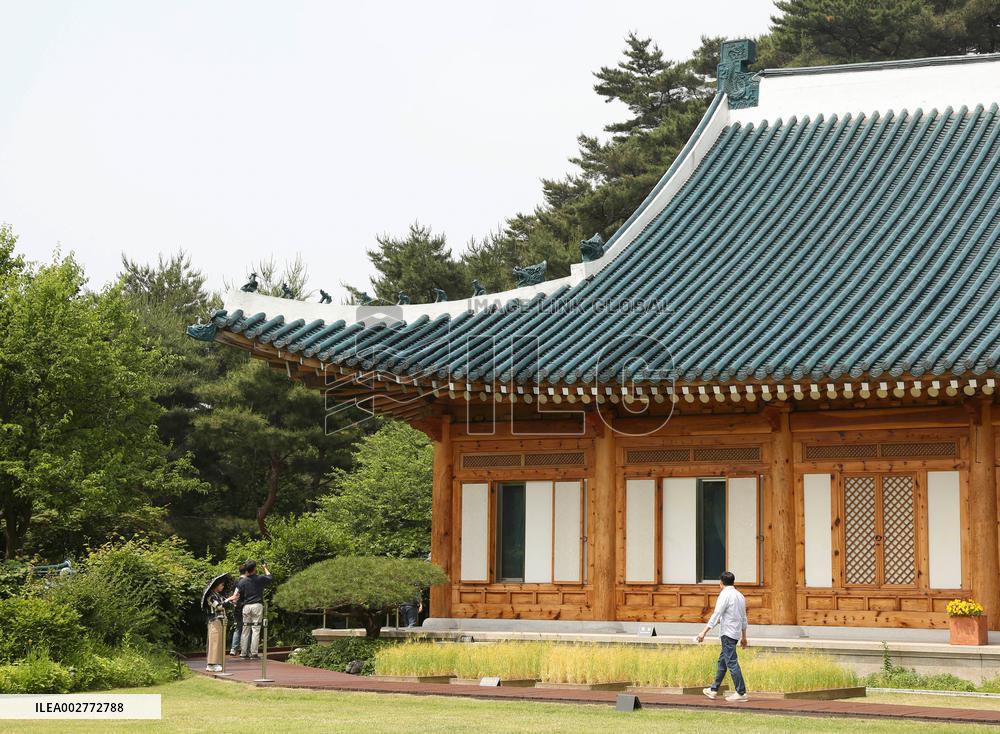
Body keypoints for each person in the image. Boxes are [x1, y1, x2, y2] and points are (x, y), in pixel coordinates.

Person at [696, 570, 749, 702]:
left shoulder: (724, 595)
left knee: (731, 662)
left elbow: (716, 614)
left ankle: (741, 692)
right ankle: (713, 689)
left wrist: (704, 632)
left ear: (721, 583)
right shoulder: (740, 596)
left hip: (727, 633)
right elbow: (744, 618)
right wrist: (744, 637)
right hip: (736, 633)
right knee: (723, 661)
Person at [226, 559, 272, 660]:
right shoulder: (259, 578)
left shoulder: (242, 581)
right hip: (257, 605)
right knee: (256, 630)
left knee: (245, 629)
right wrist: (265, 568)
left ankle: (243, 653)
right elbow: (270, 577)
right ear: (255, 568)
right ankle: (254, 653)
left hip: (246, 607)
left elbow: (236, 594)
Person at [204, 578, 227, 672]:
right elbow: (219, 606)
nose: (223, 586)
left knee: (219, 641)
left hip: (220, 620)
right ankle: (211, 664)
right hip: (214, 620)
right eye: (221, 584)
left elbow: (226, 604)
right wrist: (228, 600)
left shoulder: (218, 595)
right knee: (214, 641)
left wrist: (231, 599)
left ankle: (217, 662)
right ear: (216, 585)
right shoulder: (210, 596)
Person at [229, 563, 248, 656]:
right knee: (246, 629)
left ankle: (233, 649)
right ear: (247, 571)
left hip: (236, 607)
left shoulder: (236, 581)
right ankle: (244, 650)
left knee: (238, 628)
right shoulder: (247, 581)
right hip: (245, 606)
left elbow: (233, 595)